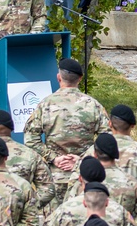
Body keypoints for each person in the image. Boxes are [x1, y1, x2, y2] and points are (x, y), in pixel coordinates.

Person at [22, 56, 110, 201]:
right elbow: (107, 139)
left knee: (53, 221)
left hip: (54, 177)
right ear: (80, 78)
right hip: (85, 176)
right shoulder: (93, 105)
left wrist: (54, 158)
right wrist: (83, 159)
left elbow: (31, 140)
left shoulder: (45, 105)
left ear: (59, 77)